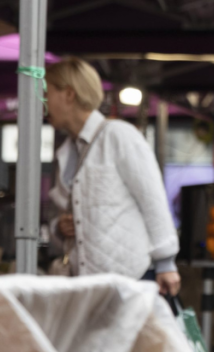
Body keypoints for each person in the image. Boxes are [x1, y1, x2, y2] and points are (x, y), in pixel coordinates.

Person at [44, 57, 181, 296]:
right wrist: (59, 227)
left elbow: (153, 199)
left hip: (132, 280)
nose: (44, 101)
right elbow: (60, 216)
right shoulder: (66, 152)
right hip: (88, 286)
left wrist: (165, 263)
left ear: (68, 94)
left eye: (48, 91)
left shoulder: (119, 135)